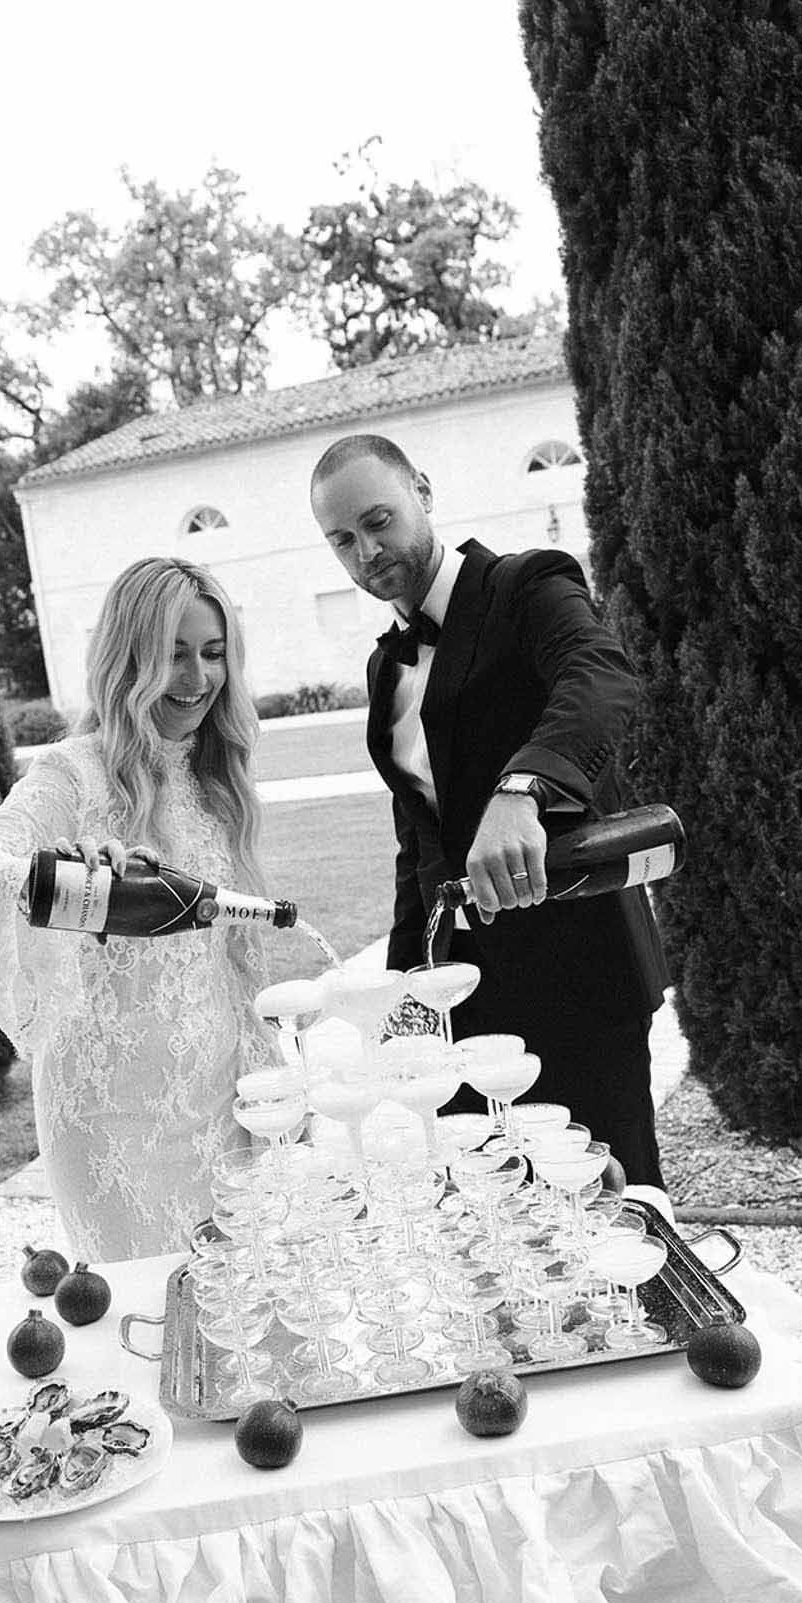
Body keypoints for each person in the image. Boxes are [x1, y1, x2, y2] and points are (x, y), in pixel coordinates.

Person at [309, 432, 669, 1187]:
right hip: (464, 1005)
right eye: (342, 540)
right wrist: (410, 995)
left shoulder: (527, 587)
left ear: (425, 494)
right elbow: (421, 844)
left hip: (579, 980)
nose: (367, 552)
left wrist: (523, 788)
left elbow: (600, 674)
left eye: (379, 521)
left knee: (616, 1215)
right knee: (502, 1233)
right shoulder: (386, 666)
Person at [0, 557, 273, 1259]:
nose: (198, 680)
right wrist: (50, 876)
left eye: (212, 655)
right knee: (146, 1328)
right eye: (172, 656)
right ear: (129, 658)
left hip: (222, 1103)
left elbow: (229, 962)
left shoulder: (218, 777)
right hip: (111, 1118)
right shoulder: (70, 774)